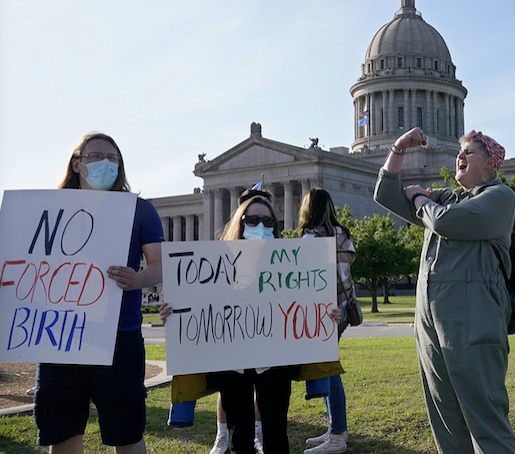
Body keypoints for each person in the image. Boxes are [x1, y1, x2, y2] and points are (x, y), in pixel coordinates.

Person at [373, 127, 515, 453]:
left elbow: (444, 222)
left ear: (490, 164)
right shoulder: (449, 197)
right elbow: (387, 195)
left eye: (470, 151)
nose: (460, 155)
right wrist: (399, 148)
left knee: (485, 419)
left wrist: (422, 198)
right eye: (460, 151)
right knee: (445, 420)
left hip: (475, 319)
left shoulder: (499, 198)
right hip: (430, 321)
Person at [161, 189, 337, 454]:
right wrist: (173, 311)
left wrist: (329, 314)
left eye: (268, 222)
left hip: (276, 363)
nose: (261, 227)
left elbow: (307, 304)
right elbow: (197, 305)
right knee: (239, 437)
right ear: (239, 224)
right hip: (233, 365)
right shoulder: (214, 265)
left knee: (276, 434)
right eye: (252, 221)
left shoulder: (291, 265)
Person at [35, 132, 164, 454]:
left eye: (113, 158)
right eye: (96, 156)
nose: (106, 163)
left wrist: (137, 279)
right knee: (62, 434)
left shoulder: (139, 209)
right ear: (77, 163)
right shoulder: (45, 210)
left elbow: (160, 264)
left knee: (127, 434)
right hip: (59, 334)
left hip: (119, 335)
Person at [298, 188, 359, 454]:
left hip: (323, 311)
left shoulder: (312, 237)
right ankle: (336, 429)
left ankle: (337, 435)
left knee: (330, 371)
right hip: (343, 308)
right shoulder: (341, 233)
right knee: (328, 368)